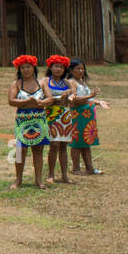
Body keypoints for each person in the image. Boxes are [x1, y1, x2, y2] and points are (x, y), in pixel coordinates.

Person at [9, 55, 52, 189]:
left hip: (39, 119)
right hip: (23, 121)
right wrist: (27, 102)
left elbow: (50, 99)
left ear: (34, 68)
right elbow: (11, 101)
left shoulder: (42, 83)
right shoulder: (16, 84)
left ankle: (38, 180)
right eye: (23, 67)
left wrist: (40, 102)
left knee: (38, 150)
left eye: (28, 67)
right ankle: (18, 179)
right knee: (20, 150)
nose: (26, 70)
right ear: (19, 69)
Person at [68, 59, 109, 174]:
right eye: (78, 69)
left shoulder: (81, 81)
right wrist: (90, 95)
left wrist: (99, 102)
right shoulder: (71, 82)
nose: (81, 71)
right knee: (77, 143)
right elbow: (74, 99)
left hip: (87, 115)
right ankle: (76, 168)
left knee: (86, 142)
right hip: (78, 115)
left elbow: (88, 98)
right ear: (71, 70)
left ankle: (89, 168)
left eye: (82, 68)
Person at [44, 55, 75, 184]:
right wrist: (59, 98)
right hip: (51, 113)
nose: (58, 69)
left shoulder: (67, 82)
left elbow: (73, 96)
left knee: (63, 146)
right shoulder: (46, 81)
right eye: (56, 66)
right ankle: (51, 175)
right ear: (50, 67)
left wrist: (69, 95)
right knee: (54, 145)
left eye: (61, 67)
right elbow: (47, 97)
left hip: (65, 114)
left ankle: (64, 175)